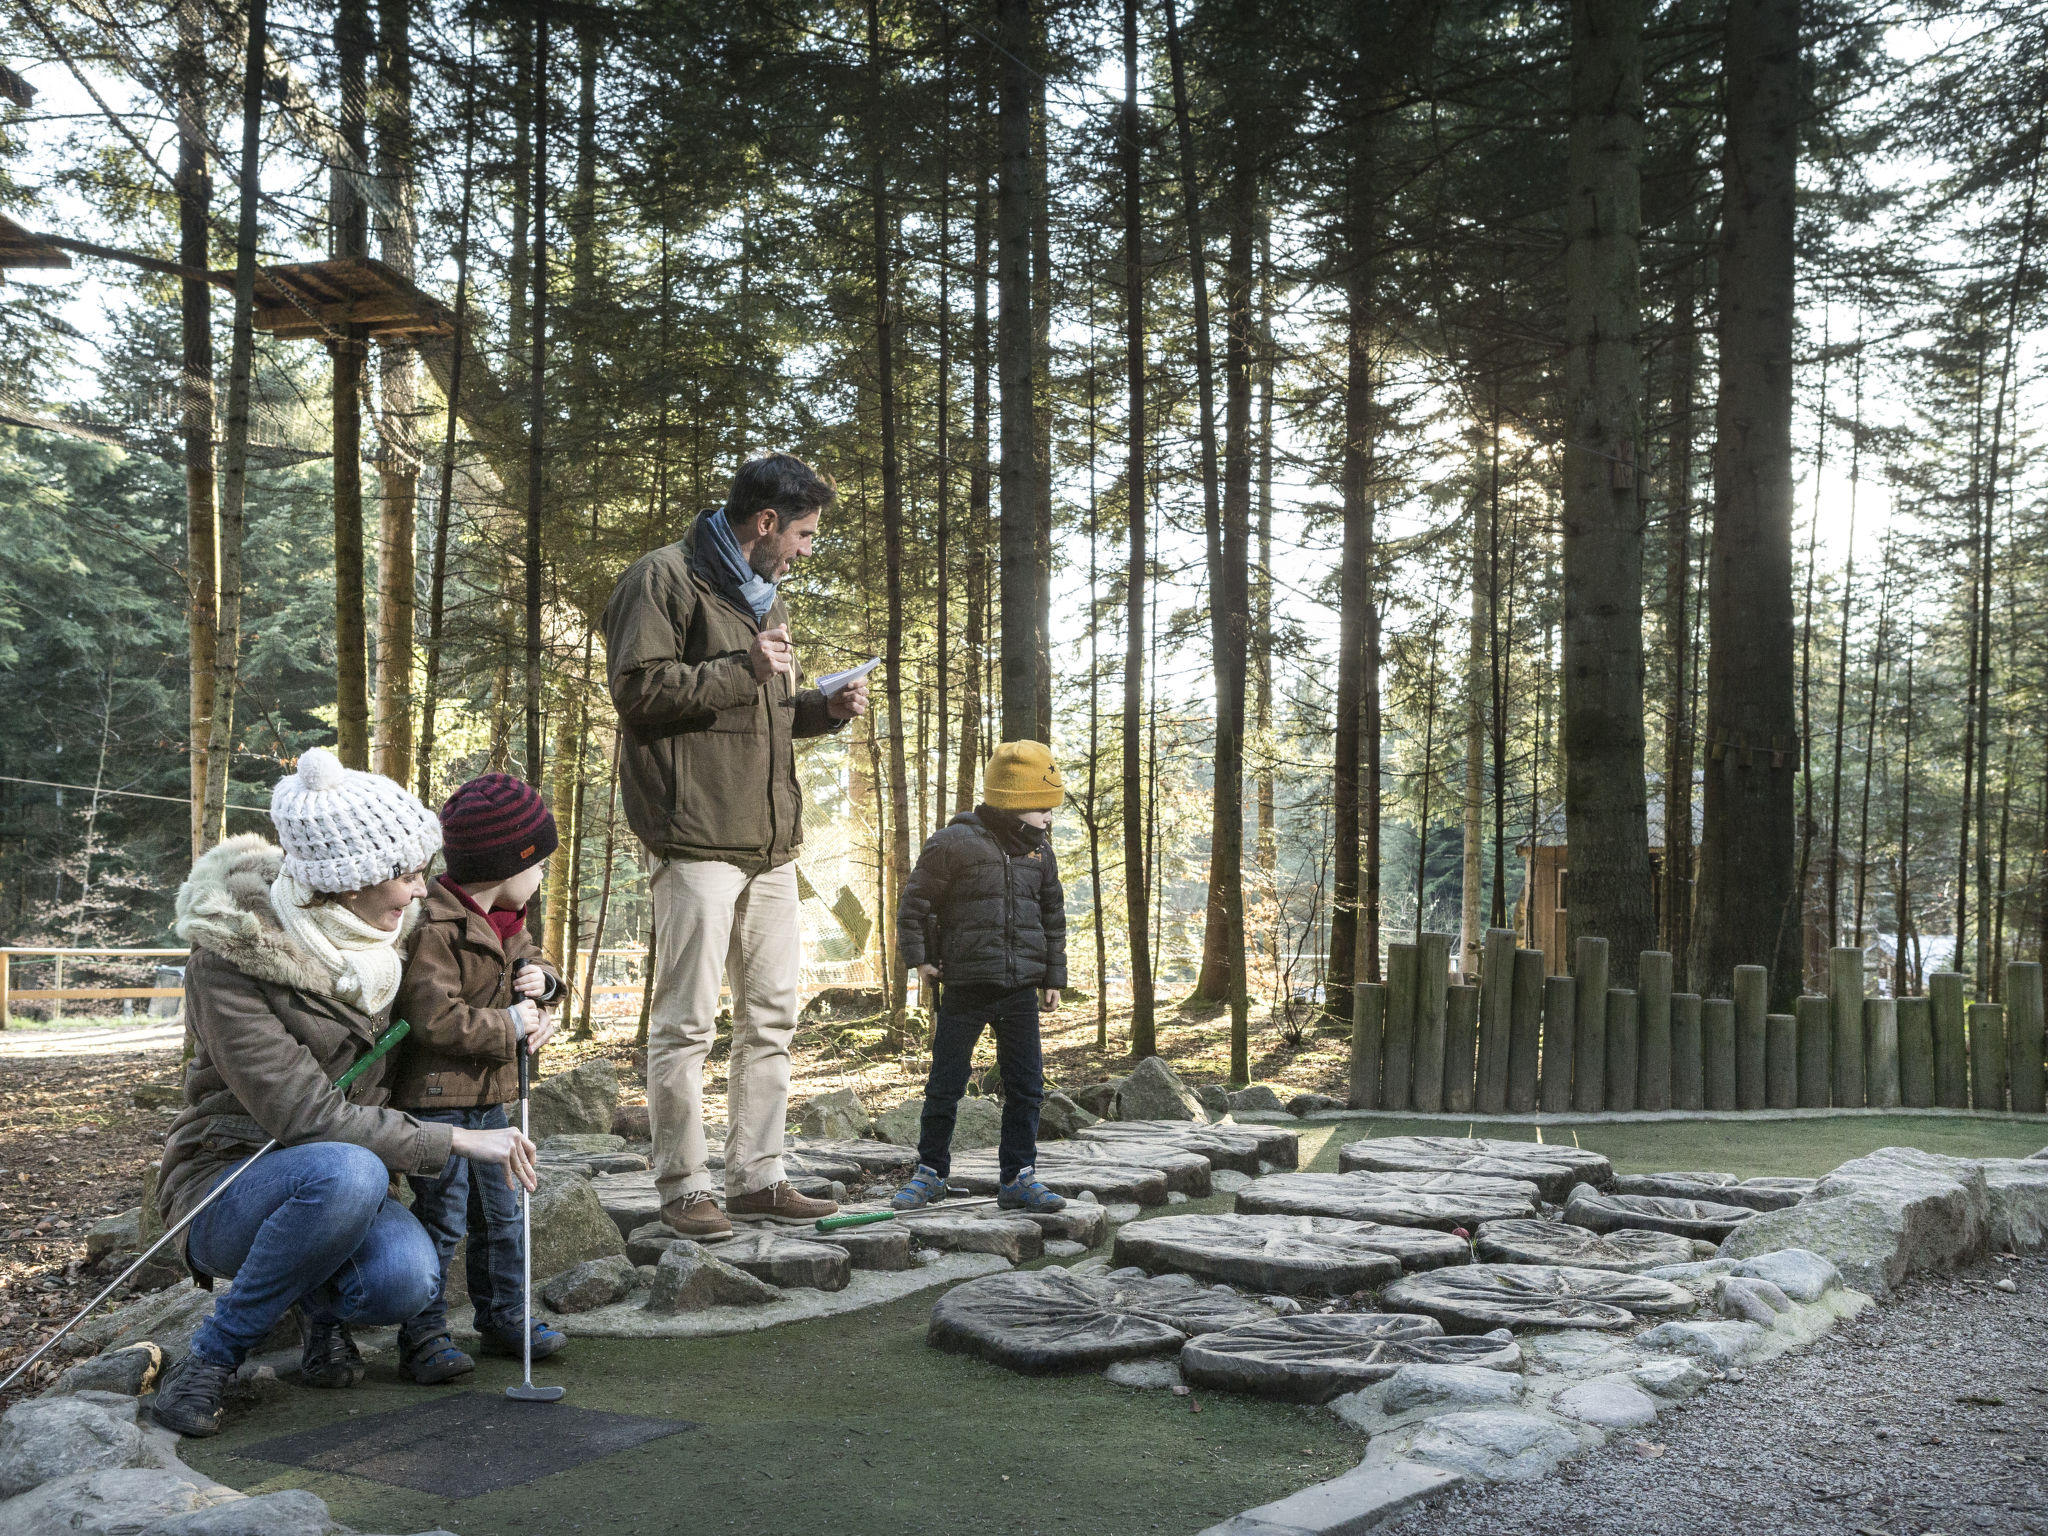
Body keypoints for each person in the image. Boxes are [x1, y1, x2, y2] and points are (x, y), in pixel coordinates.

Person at [149, 749, 538, 1438]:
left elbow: (487, 940)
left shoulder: (388, 933)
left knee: (407, 1280)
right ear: (349, 880)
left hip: (339, 1185)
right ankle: (213, 1357)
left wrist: (534, 987)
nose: (423, 891)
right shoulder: (230, 962)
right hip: (231, 1179)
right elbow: (305, 1117)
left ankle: (322, 1316)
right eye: (409, 876)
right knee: (346, 1167)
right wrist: (456, 1139)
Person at [601, 453, 869, 1239]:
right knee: (686, 1024)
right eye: (806, 534)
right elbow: (637, 688)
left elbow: (763, 709)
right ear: (765, 524)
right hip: (693, 839)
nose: (808, 549)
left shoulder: (766, 598)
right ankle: (684, 1186)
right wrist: (738, 667)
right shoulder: (661, 580)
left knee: (772, 1020)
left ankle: (758, 1177)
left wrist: (823, 708)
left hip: (771, 846)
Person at [387, 772, 567, 1384]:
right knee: (443, 1220)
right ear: (502, 864)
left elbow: (534, 966)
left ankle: (505, 1317)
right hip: (437, 1103)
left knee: (505, 1214)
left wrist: (546, 988)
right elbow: (432, 1018)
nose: (542, 875)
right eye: (537, 863)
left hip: (496, 1099)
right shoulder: (436, 927)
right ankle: (424, 1335)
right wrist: (511, 1024)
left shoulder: (509, 922)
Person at [889, 741, 1069, 1214]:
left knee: (1027, 1087)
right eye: (1042, 808)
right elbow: (914, 905)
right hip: (965, 988)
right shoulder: (952, 844)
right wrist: (921, 959)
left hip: (1019, 992)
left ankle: (1018, 1177)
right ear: (1013, 805)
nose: (1049, 819)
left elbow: (1053, 915)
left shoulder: (1039, 853)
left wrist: (1053, 976)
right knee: (946, 1083)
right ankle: (930, 1174)